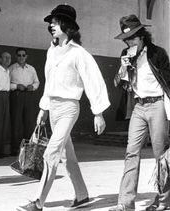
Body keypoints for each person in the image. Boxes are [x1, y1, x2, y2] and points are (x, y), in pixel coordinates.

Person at [18, 4, 110, 211]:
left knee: (51, 153)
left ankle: (37, 202)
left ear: (67, 26)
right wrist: (44, 108)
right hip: (53, 107)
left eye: (56, 21)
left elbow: (93, 81)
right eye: (51, 22)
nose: (51, 25)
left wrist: (98, 113)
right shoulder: (52, 51)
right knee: (68, 156)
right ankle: (82, 195)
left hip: (69, 108)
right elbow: (49, 82)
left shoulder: (79, 53)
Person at [110, 15, 170, 211]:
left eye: (133, 38)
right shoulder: (126, 54)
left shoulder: (157, 53)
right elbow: (120, 84)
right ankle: (125, 203)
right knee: (131, 152)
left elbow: (169, 83)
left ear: (142, 36)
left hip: (158, 105)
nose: (129, 42)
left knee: (161, 154)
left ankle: (163, 200)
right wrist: (123, 68)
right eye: (126, 39)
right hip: (138, 107)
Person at [9, 47, 40, 156]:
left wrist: (33, 86)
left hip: (29, 96)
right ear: (15, 56)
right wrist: (16, 86)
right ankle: (15, 149)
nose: (21, 57)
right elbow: (5, 84)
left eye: (23, 55)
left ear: (26, 57)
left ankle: (29, 150)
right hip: (17, 95)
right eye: (19, 55)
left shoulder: (31, 69)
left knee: (29, 122)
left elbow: (37, 82)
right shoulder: (11, 68)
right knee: (16, 122)